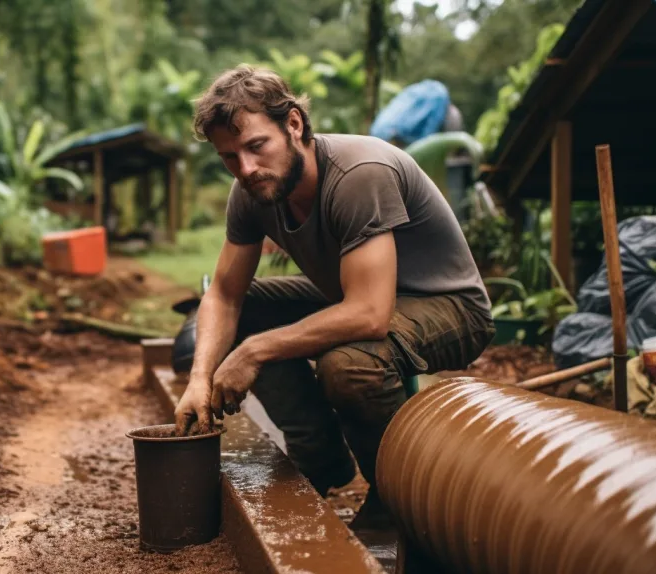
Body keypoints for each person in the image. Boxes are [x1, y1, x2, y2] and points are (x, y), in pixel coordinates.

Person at [173, 65, 494, 525]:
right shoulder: (251, 191)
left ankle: (397, 498)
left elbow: (369, 316)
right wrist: (199, 379)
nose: (244, 168)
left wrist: (254, 352)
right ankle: (320, 455)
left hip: (448, 305)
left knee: (351, 365)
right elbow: (224, 294)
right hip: (355, 295)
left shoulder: (359, 174)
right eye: (229, 157)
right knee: (248, 311)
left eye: (255, 146)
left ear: (294, 125)